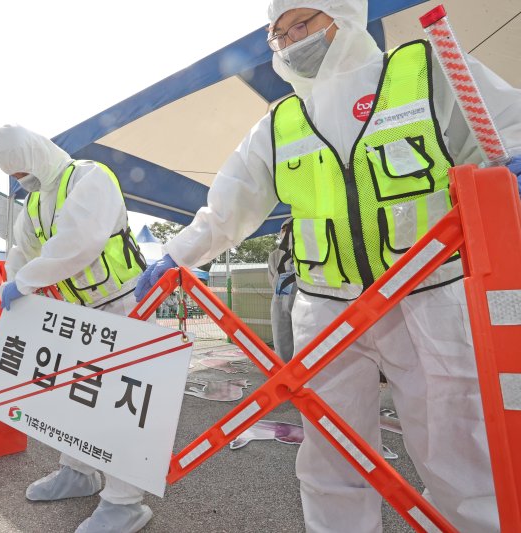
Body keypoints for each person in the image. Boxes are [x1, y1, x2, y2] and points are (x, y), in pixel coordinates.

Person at [135, 1, 521, 531]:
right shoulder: (281, 121)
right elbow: (228, 207)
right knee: (330, 456)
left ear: (342, 13)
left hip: (428, 297)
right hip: (326, 311)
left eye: (304, 22)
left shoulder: (426, 69)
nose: (293, 39)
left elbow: (509, 129)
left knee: (458, 453)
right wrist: (175, 256)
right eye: (280, 33)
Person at [0, 124, 150, 533]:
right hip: (79, 313)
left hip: (124, 305)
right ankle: (78, 472)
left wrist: (24, 281)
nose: (19, 179)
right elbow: (21, 249)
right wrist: (13, 279)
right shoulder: (33, 203)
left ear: (38, 153)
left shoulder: (89, 176)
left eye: (21, 170)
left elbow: (79, 241)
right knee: (75, 396)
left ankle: (125, 503)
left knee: (122, 406)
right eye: (11, 176)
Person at [267, 218, 297, 363]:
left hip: (301, 299)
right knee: (281, 338)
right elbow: (272, 278)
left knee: (302, 338)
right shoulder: (274, 255)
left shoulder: (307, 251)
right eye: (284, 229)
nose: (286, 232)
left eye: (289, 228)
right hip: (279, 298)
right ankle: (284, 371)